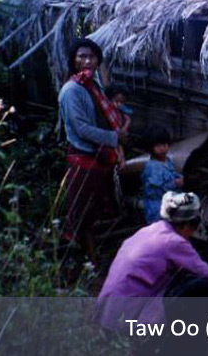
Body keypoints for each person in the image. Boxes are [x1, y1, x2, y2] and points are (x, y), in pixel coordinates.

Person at [96, 192, 208, 353]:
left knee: (181, 281)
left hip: (106, 317)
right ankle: (202, 349)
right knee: (204, 286)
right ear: (187, 225)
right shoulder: (174, 242)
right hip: (127, 326)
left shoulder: (146, 231)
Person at [58, 38, 127, 260]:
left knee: (92, 212)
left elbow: (104, 116)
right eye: (82, 56)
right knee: (80, 212)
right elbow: (81, 128)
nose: (87, 61)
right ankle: (71, 260)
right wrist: (114, 137)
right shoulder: (71, 90)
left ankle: (91, 257)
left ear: (98, 61)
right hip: (84, 159)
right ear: (73, 61)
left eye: (92, 56)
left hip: (100, 158)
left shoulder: (93, 86)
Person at [141, 126, 184, 224]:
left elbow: (173, 173)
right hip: (157, 209)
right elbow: (156, 191)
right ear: (151, 147)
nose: (162, 148)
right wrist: (175, 184)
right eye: (158, 146)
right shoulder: (152, 167)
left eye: (164, 144)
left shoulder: (168, 161)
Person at [105, 85, 132, 169]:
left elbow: (128, 119)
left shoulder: (121, 111)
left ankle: (122, 159)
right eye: (116, 101)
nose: (118, 104)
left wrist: (124, 128)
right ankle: (120, 158)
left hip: (119, 135)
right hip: (110, 135)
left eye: (122, 102)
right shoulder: (107, 109)